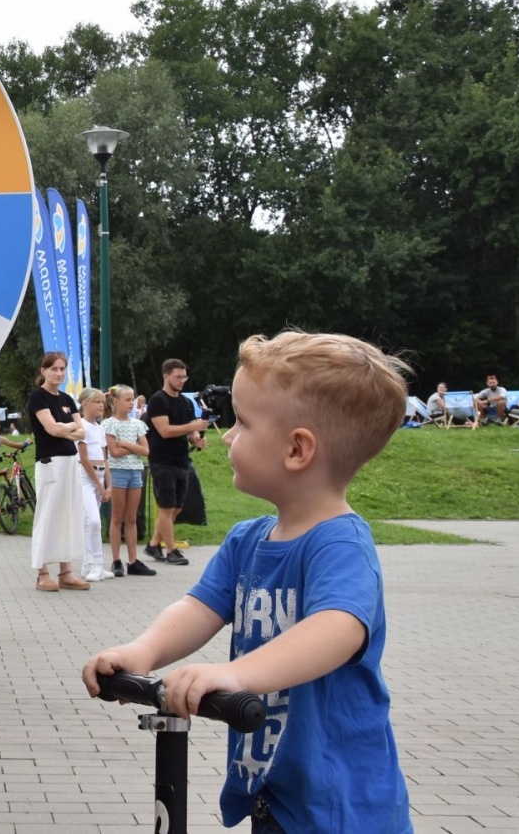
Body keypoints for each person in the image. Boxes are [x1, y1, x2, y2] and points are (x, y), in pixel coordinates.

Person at [82, 331, 413, 833]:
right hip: (277, 794)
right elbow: (198, 608)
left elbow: (337, 629)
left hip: (341, 806)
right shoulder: (248, 539)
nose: (228, 436)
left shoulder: (339, 545)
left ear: (297, 449)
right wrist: (143, 652)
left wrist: (237, 675)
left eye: (243, 422)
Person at [28, 352, 88, 592]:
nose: (59, 373)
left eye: (62, 369)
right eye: (54, 369)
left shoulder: (67, 398)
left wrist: (69, 427)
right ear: (44, 371)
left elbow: (82, 433)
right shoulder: (38, 398)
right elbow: (51, 429)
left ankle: (66, 571)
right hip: (50, 462)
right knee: (48, 515)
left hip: (71, 461)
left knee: (69, 514)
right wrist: (70, 426)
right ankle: (42, 572)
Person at [144, 359, 209, 565]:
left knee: (177, 507)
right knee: (166, 506)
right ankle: (171, 551)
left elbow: (190, 430)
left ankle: (153, 545)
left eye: (184, 377)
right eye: (178, 377)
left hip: (182, 460)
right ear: (166, 376)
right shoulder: (158, 401)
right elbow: (165, 430)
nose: (182, 381)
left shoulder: (186, 402)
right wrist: (192, 426)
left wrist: (196, 437)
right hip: (162, 460)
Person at [101, 385, 155, 577]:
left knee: (132, 518)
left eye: (132, 399)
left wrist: (124, 443)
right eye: (127, 399)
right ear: (115, 402)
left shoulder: (138, 424)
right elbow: (113, 452)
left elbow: (146, 450)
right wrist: (134, 447)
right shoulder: (109, 424)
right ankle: (116, 560)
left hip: (135, 472)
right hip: (118, 472)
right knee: (117, 516)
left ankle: (133, 560)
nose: (131, 402)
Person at [75, 388, 113, 582]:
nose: (101, 405)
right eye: (97, 402)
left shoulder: (99, 427)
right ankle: (95, 563)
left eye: (102, 402)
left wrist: (109, 484)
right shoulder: (81, 426)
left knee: (91, 522)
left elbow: (104, 458)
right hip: (86, 476)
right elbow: (84, 458)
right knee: (93, 520)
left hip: (99, 476)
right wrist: (99, 485)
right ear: (85, 404)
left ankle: (89, 564)